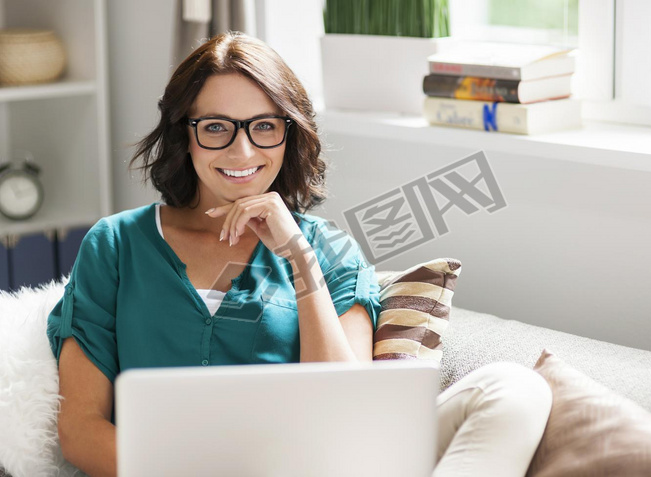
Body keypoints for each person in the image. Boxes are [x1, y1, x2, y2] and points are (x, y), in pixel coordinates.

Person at [47, 31, 552, 477]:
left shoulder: (329, 250)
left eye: (264, 126)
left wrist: (298, 258)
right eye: (216, 127)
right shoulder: (115, 245)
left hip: (318, 466)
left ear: (290, 133)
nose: (242, 153)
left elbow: (344, 415)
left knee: (515, 390)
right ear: (185, 134)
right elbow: (82, 428)